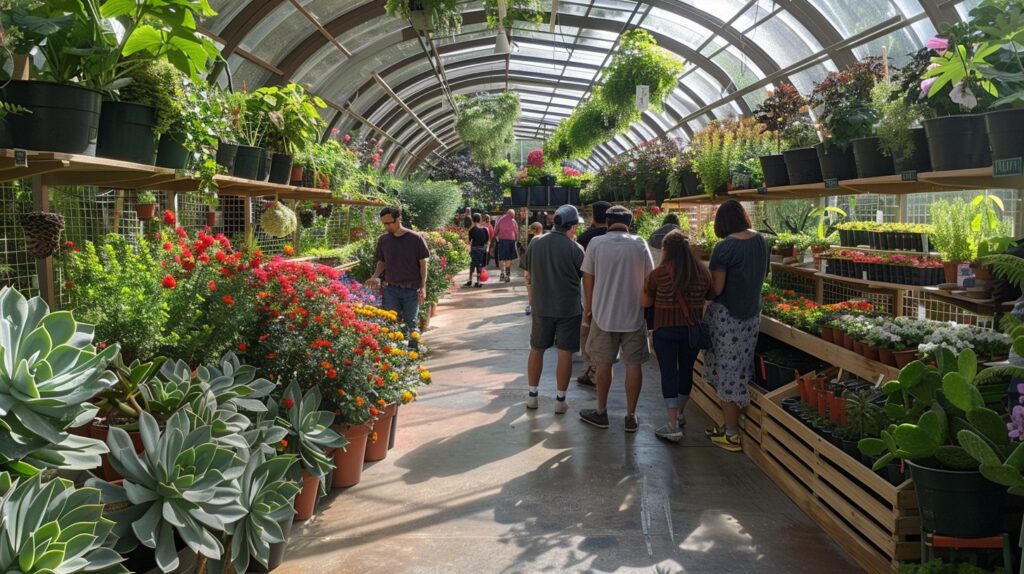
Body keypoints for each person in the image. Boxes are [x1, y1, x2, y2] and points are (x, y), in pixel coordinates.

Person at [578, 205, 654, 432]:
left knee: (603, 363)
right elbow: (650, 279)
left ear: (608, 222)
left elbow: (587, 279)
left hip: (603, 314)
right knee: (634, 365)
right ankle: (631, 416)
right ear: (629, 223)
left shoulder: (596, 244)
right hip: (633, 315)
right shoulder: (640, 243)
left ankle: (601, 412)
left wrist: (588, 309)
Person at [703, 200, 770, 452]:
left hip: (727, 319)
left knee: (728, 371)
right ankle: (726, 426)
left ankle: (731, 434)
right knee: (740, 367)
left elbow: (717, 288)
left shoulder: (725, 248)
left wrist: (700, 287)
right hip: (752, 316)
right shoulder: (761, 242)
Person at [642, 230, 713, 442]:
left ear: (666, 250)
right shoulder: (701, 272)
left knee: (669, 373)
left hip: (665, 331)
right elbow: (711, 294)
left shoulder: (658, 274)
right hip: (691, 331)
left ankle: (672, 425)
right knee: (686, 371)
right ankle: (681, 413)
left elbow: (645, 303)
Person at [523, 205, 586, 414]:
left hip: (542, 306)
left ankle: (533, 396)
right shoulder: (575, 249)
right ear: (573, 226)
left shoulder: (536, 242)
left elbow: (528, 271)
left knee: (537, 349)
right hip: (569, 308)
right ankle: (560, 400)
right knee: (565, 353)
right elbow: (583, 276)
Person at [366, 206, 431, 351]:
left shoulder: (415, 239)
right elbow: (381, 262)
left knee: (411, 323)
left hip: (411, 289)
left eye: (390, 223)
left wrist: (423, 287)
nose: (387, 226)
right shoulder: (384, 240)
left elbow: (423, 264)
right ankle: (396, 354)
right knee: (391, 321)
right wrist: (375, 276)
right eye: (384, 224)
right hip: (391, 289)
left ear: (399, 219)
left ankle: (414, 353)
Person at [574, 201, 611, 388]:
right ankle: (599, 366)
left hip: (590, 286)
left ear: (594, 216)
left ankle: (592, 367)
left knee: (588, 322)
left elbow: (579, 267)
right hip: (613, 289)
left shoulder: (585, 238)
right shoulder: (616, 237)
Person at [523, 222, 544, 315]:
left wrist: (526, 273)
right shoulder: (547, 240)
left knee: (529, 285)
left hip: (534, 269)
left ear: (535, 230)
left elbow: (527, 258)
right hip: (544, 270)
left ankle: (531, 305)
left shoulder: (533, 240)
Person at [465, 213, 490, 288]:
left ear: (473, 220)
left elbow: (469, 241)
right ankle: (478, 281)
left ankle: (470, 280)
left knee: (472, 264)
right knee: (479, 264)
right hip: (482, 249)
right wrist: (486, 249)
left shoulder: (472, 230)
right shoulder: (485, 229)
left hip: (474, 248)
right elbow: (487, 241)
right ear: (480, 220)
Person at [494, 209, 519, 282]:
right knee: (508, 258)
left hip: (502, 240)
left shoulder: (501, 220)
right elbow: (516, 231)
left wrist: (494, 237)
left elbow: (496, 229)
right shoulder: (514, 221)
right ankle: (507, 276)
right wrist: (516, 240)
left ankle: (502, 274)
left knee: (501, 258)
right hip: (511, 241)